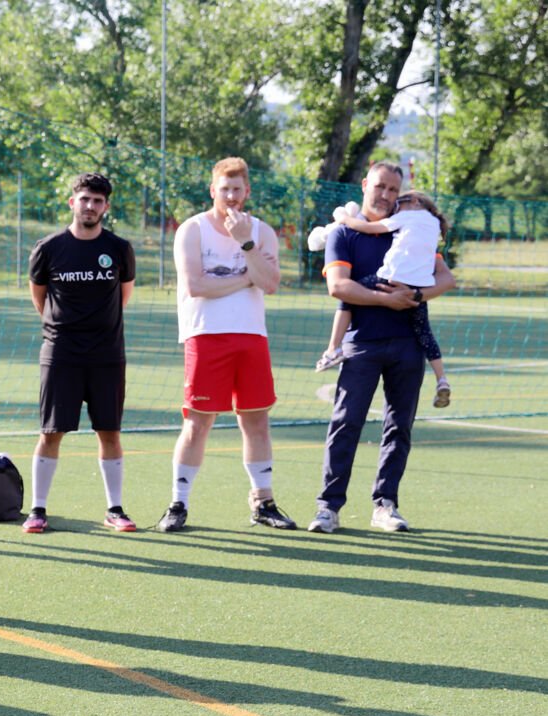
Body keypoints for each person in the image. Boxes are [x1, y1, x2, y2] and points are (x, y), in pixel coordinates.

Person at [309, 163, 457, 534]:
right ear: (365, 185)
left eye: (394, 189)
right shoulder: (344, 233)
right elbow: (339, 288)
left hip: (408, 346)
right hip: (360, 344)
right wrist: (386, 300)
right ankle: (328, 508)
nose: (386, 195)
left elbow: (445, 278)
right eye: (380, 187)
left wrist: (417, 295)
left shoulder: (410, 227)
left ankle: (385, 505)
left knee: (399, 427)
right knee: (345, 424)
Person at [157, 156, 297, 533]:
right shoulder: (192, 230)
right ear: (213, 191)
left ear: (247, 191)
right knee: (197, 424)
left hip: (251, 337)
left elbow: (269, 282)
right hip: (205, 337)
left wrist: (246, 245)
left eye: (238, 190)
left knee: (256, 422)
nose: (231, 197)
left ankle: (263, 501)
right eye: (225, 189)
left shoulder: (261, 232)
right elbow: (197, 286)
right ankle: (178, 504)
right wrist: (245, 278)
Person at [23, 172, 137, 533]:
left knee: (110, 432)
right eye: (84, 199)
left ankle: (114, 509)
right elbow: (39, 297)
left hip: (107, 354)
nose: (90, 206)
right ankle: (37, 510)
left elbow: (124, 295)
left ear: (106, 206)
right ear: (72, 202)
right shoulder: (49, 247)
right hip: (61, 353)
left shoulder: (119, 249)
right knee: (51, 432)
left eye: (98, 201)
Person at [315, 191, 452, 408]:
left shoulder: (408, 216)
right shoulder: (433, 224)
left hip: (391, 278)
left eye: (400, 203)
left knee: (351, 293)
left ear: (415, 202)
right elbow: (447, 278)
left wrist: (344, 220)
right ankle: (441, 378)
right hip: (417, 287)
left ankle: (332, 349)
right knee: (425, 333)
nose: (396, 208)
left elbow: (370, 228)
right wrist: (417, 295)